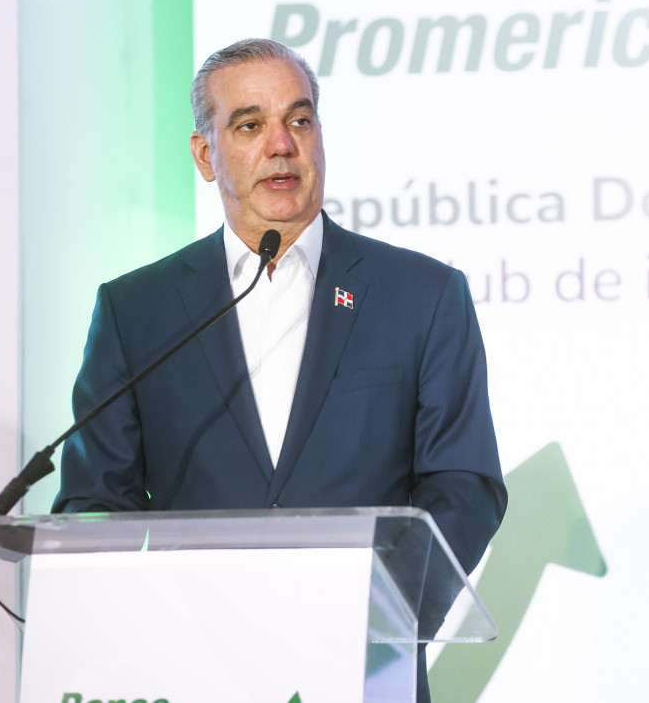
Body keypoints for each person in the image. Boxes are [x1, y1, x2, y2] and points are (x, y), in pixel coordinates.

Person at [53, 38, 506, 701]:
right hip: (189, 670)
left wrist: (383, 621)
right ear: (205, 155)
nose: (282, 145)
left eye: (300, 119)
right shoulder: (136, 310)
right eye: (249, 125)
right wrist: (138, 626)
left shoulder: (423, 295)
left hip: (363, 670)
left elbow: (464, 485)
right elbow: (96, 500)